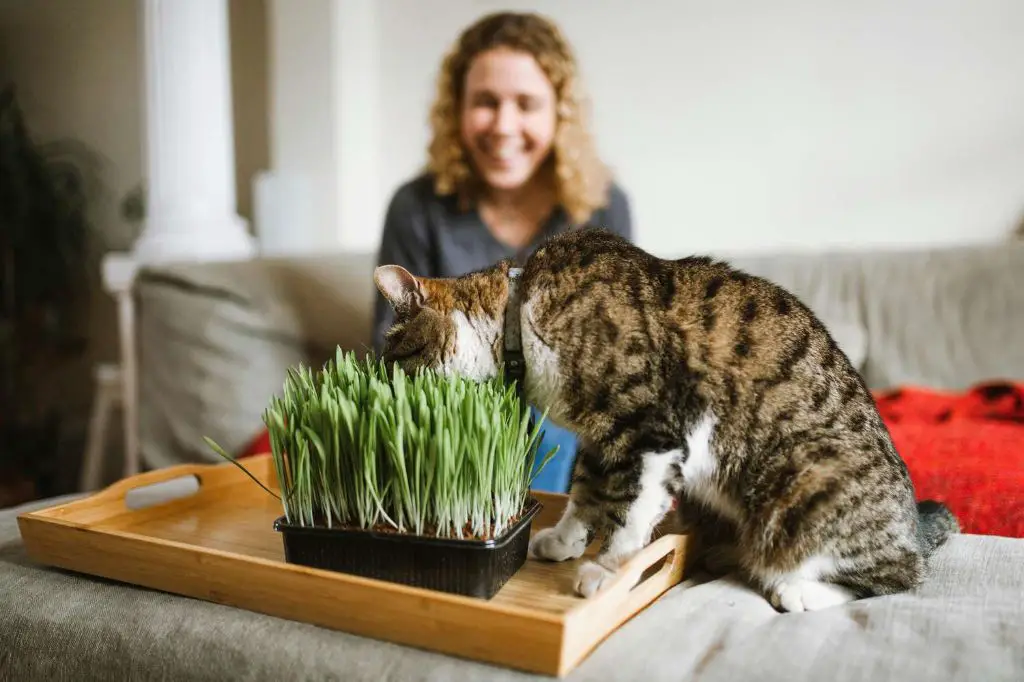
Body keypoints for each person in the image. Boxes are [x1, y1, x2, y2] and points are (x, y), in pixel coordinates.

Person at [372, 11, 634, 492]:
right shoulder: (416, 207)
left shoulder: (603, 208)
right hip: (452, 419)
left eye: (527, 104)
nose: (504, 125)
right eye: (486, 102)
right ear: (457, 109)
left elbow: (613, 357)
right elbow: (390, 344)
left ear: (560, 113)